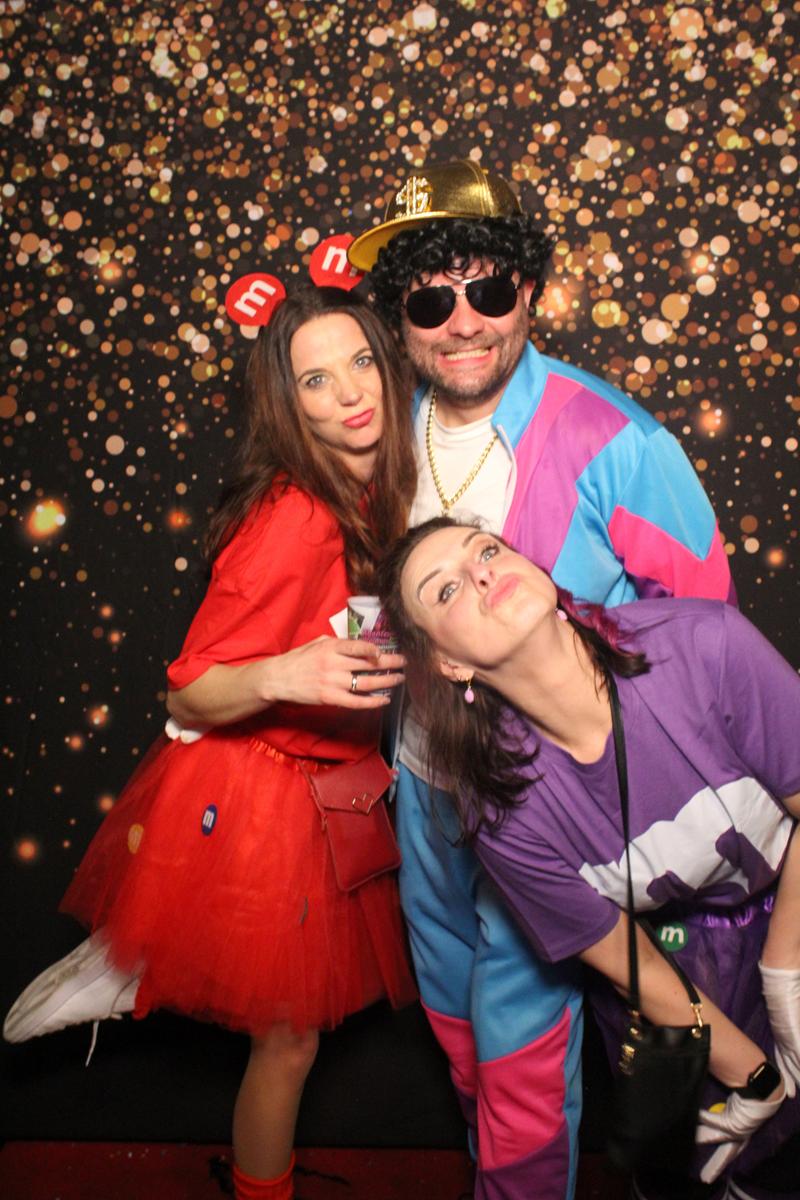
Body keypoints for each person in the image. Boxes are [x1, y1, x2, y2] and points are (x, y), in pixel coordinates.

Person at [347, 159, 734, 1200]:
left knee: (520, 1038)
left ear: (527, 289)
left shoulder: (619, 440)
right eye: (431, 301)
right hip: (424, 784)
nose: (463, 323)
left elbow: (703, 634)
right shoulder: (379, 436)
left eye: (487, 289)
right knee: (452, 1014)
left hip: (543, 801)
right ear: (400, 316)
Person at [3, 286, 418, 1200]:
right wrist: (284, 673)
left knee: (293, 1038)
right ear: (287, 401)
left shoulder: (376, 487)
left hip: (334, 784)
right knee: (291, 1037)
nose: (351, 392)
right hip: (263, 793)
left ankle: (138, 963)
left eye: (361, 362)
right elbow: (187, 686)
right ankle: (137, 962)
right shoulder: (295, 515)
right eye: (317, 379)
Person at [378, 514, 800, 1200]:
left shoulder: (706, 645)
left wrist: (784, 975)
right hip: (676, 974)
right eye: (445, 590)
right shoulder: (498, 810)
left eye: (485, 549)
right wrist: (754, 1076)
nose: (480, 572)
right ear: (449, 665)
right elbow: (629, 963)